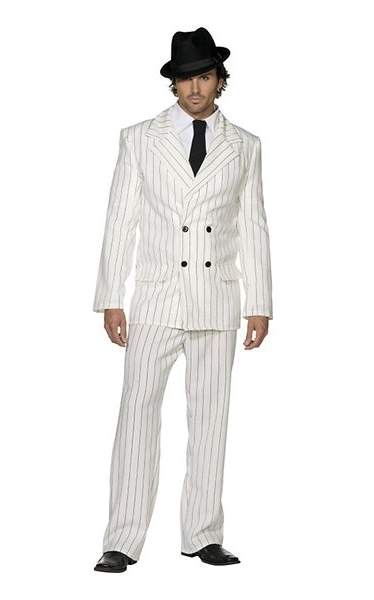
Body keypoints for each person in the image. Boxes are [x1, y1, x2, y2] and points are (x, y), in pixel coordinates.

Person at [92, 26, 273, 573]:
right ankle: (122, 539)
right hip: (155, 297)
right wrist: (111, 296)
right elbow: (120, 218)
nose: (196, 88)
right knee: (137, 416)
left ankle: (203, 533)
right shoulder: (138, 139)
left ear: (220, 80)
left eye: (205, 77)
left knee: (211, 420)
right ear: (173, 84)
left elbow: (254, 225)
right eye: (186, 78)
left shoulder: (246, 145)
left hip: (218, 299)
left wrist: (260, 303)